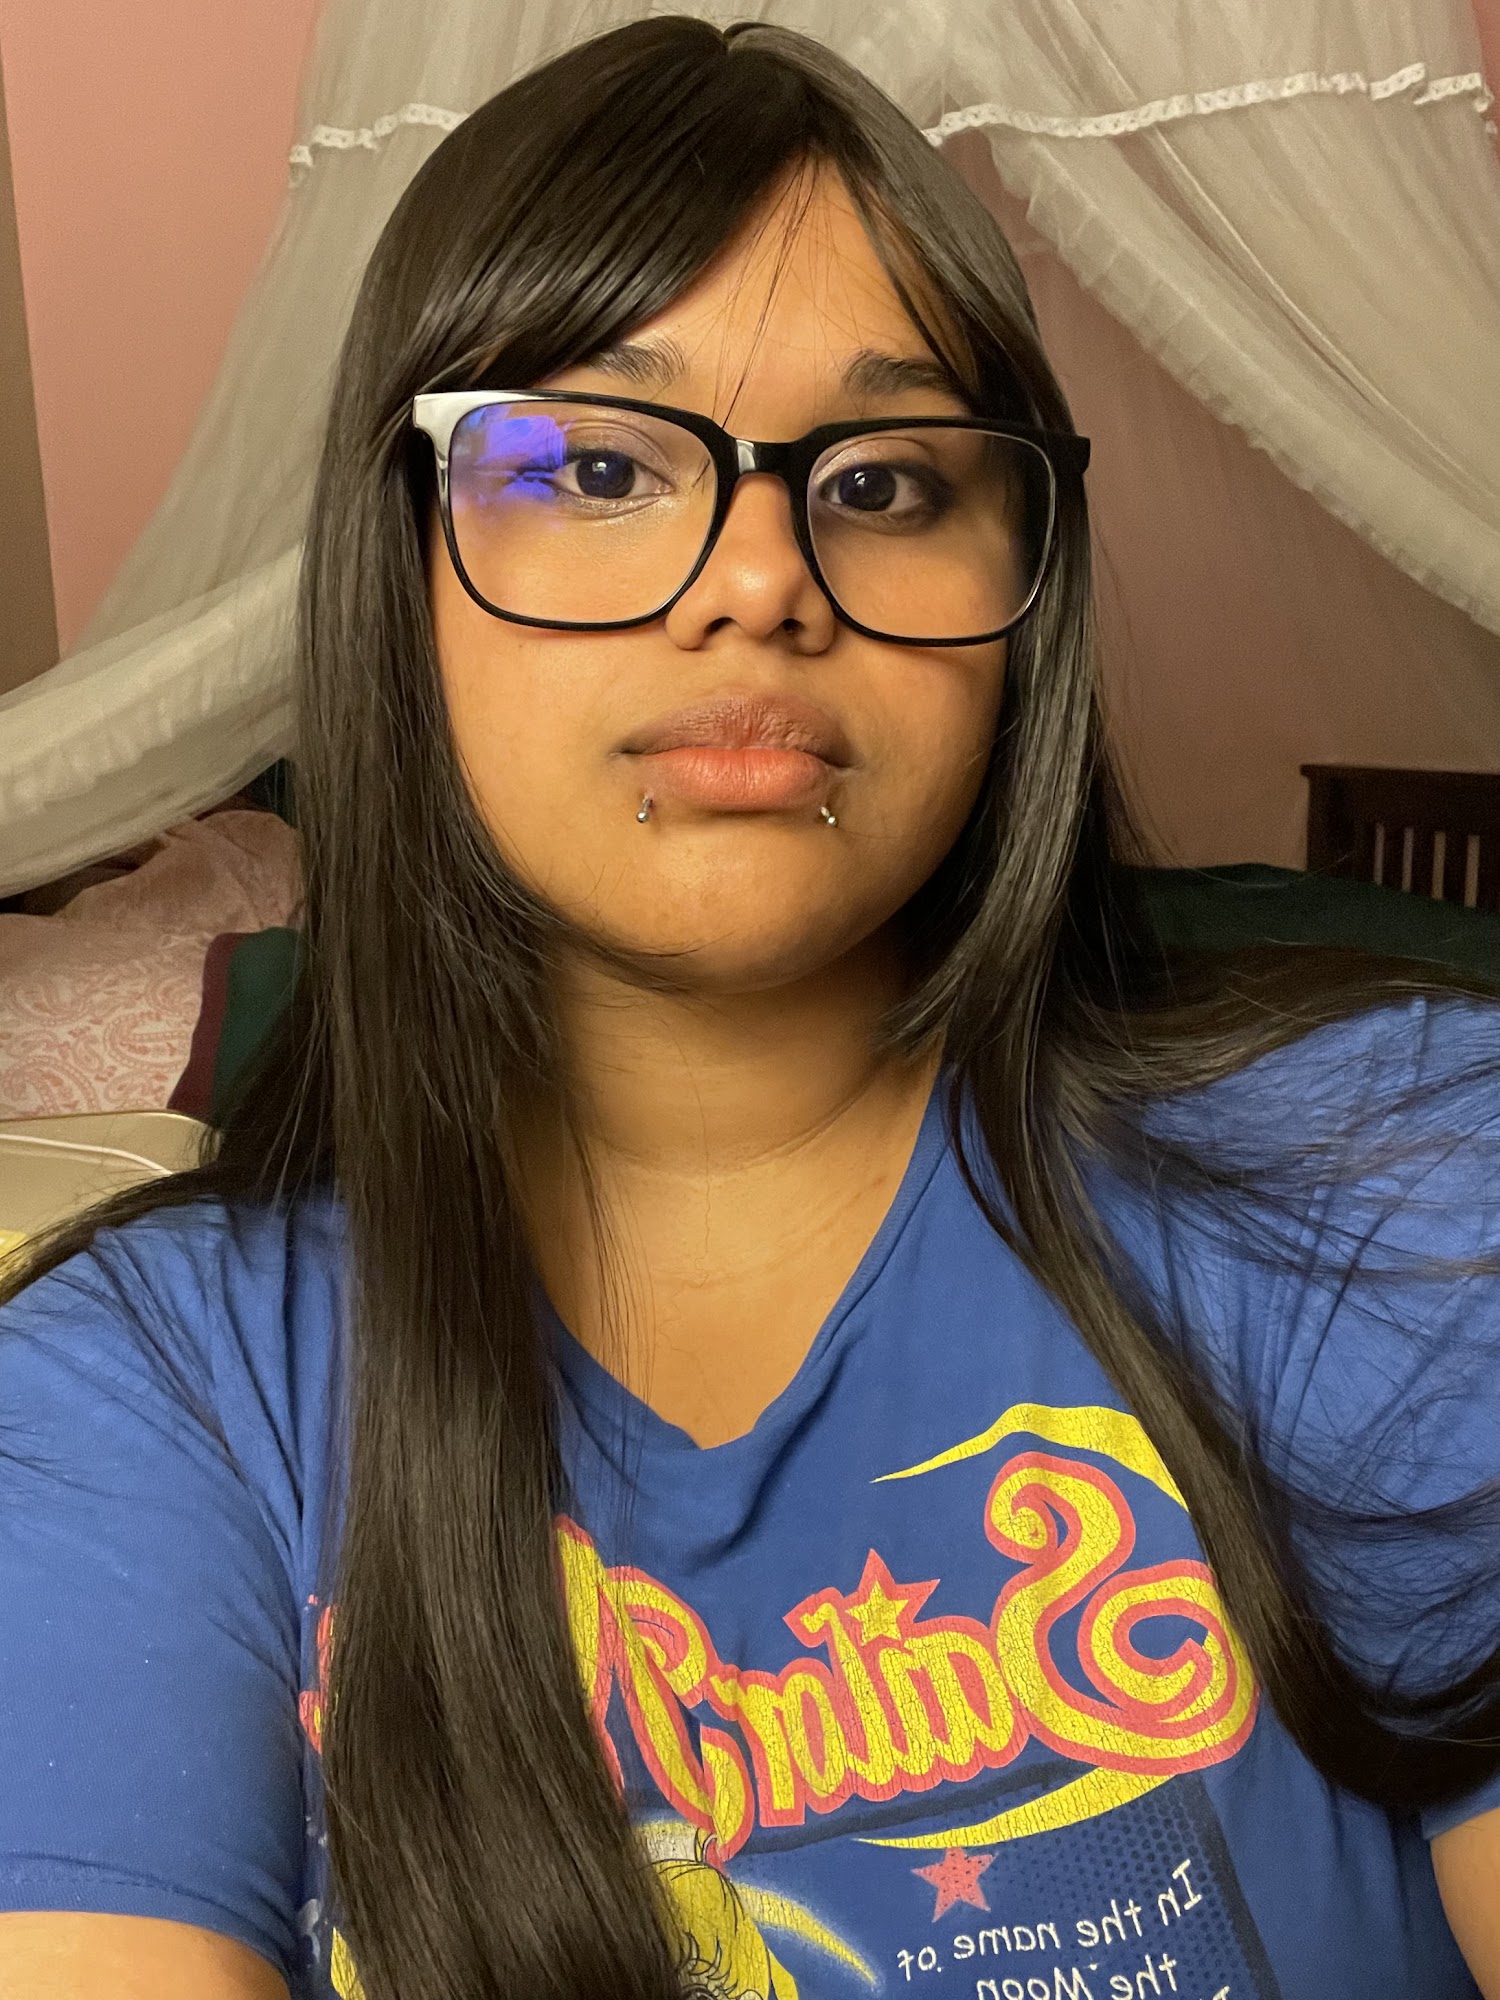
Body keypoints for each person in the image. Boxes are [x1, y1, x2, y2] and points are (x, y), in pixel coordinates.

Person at [0, 17, 1496, 2000]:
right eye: (596, 465)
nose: (762, 581)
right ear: (400, 571)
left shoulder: (1395, 1183)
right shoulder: (143, 1394)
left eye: (883, 482)